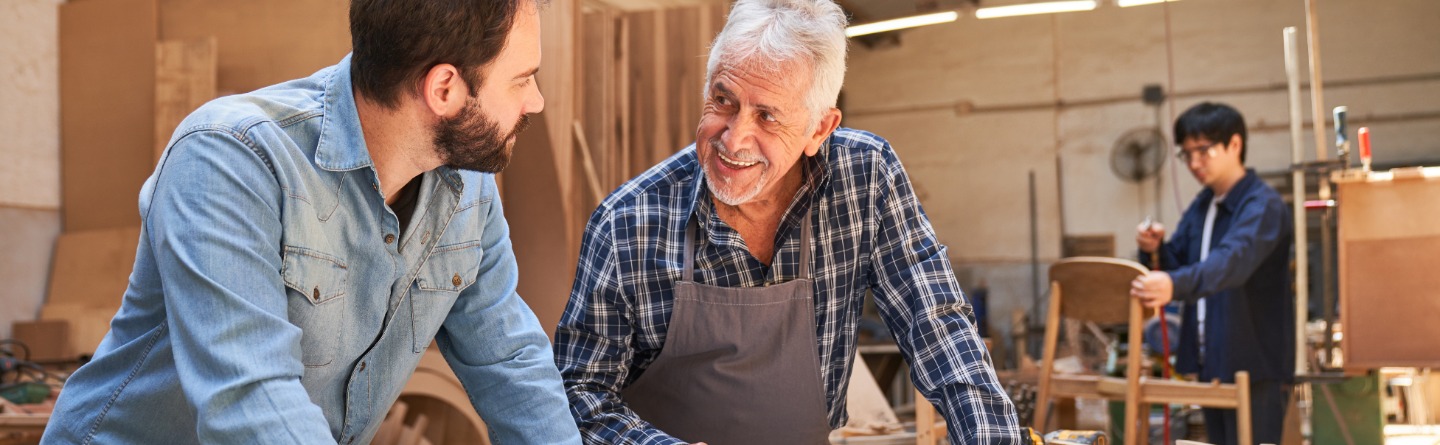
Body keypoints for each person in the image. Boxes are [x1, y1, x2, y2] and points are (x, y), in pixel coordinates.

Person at [42, 0, 581, 443]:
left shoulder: (465, 188)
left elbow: (510, 362)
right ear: (444, 89)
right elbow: (251, 399)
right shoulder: (229, 158)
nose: (535, 101)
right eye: (522, 79)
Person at [552, 1, 1021, 443]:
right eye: (724, 101)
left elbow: (938, 328)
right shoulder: (627, 223)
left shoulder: (866, 178)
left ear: (820, 128)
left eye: (767, 116)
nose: (734, 140)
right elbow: (578, 392)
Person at [1131, 102, 1294, 445]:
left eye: (1203, 151)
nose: (1193, 163)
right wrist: (1154, 249)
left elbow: (1229, 264)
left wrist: (1173, 285)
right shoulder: (1204, 205)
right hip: (1211, 362)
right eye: (1186, 154)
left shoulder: (1262, 206)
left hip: (1255, 366)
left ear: (1234, 145)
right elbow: (1179, 259)